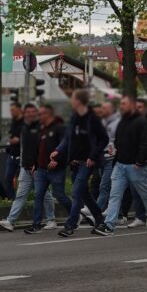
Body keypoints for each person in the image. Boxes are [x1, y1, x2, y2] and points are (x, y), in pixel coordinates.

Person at [95, 96, 147, 235]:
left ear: (131, 105)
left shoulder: (141, 122)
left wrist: (140, 161)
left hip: (135, 166)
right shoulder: (123, 121)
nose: (121, 106)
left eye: (124, 104)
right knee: (115, 194)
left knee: (145, 194)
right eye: (121, 104)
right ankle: (109, 225)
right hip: (120, 164)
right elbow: (118, 140)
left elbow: (146, 143)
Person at [54, 91, 108, 236]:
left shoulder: (92, 118)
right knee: (84, 194)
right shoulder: (74, 117)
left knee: (76, 192)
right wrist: (59, 151)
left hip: (88, 162)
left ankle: (70, 226)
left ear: (78, 101)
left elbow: (104, 138)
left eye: (72, 98)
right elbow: (68, 138)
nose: (71, 101)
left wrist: (93, 156)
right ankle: (99, 219)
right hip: (75, 161)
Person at [0, 104, 42, 231]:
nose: (30, 114)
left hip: (38, 167)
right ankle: (10, 221)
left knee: (45, 195)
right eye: (28, 112)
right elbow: (24, 149)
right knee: (21, 195)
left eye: (33, 111)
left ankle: (53, 219)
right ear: (25, 113)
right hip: (25, 166)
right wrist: (22, 164)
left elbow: (41, 148)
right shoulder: (24, 127)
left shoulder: (40, 127)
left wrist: (36, 164)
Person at [24, 105, 68, 234]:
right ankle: (36, 225)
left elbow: (65, 146)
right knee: (38, 196)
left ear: (48, 115)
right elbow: (39, 150)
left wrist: (57, 160)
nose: (39, 117)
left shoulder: (59, 128)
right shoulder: (42, 130)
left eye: (41, 114)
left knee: (60, 195)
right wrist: (35, 165)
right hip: (41, 170)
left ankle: (75, 213)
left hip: (56, 169)